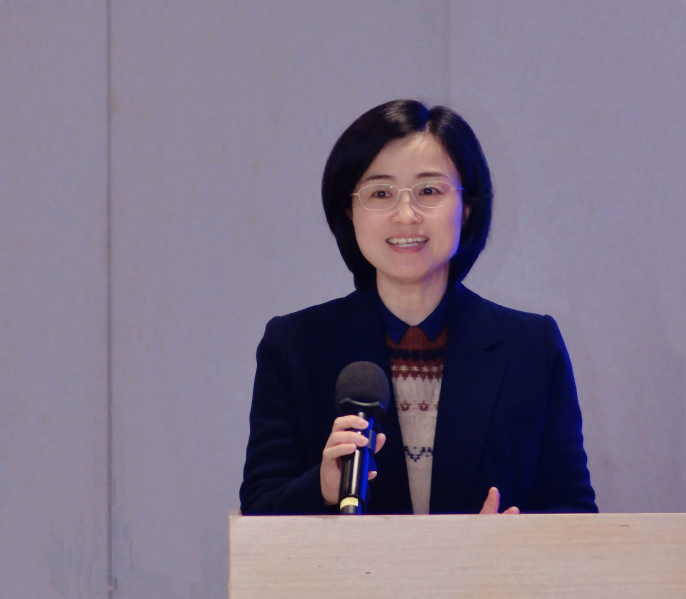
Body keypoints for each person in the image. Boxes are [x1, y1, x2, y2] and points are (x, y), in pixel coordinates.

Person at [239, 100, 597, 515]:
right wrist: (320, 486)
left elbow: (573, 510)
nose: (406, 214)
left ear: (467, 207)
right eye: (380, 193)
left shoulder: (531, 346)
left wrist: (514, 541)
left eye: (429, 191)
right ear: (349, 212)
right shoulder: (294, 346)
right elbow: (259, 509)